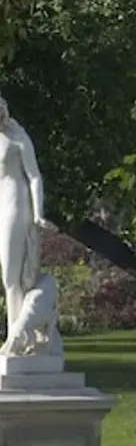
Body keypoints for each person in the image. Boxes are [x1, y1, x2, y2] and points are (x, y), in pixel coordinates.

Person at [0, 96, 48, 351]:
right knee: (8, 277)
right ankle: (20, 335)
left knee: (12, 277)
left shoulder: (18, 136)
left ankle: (16, 337)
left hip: (15, 207)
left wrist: (38, 213)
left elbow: (34, 176)